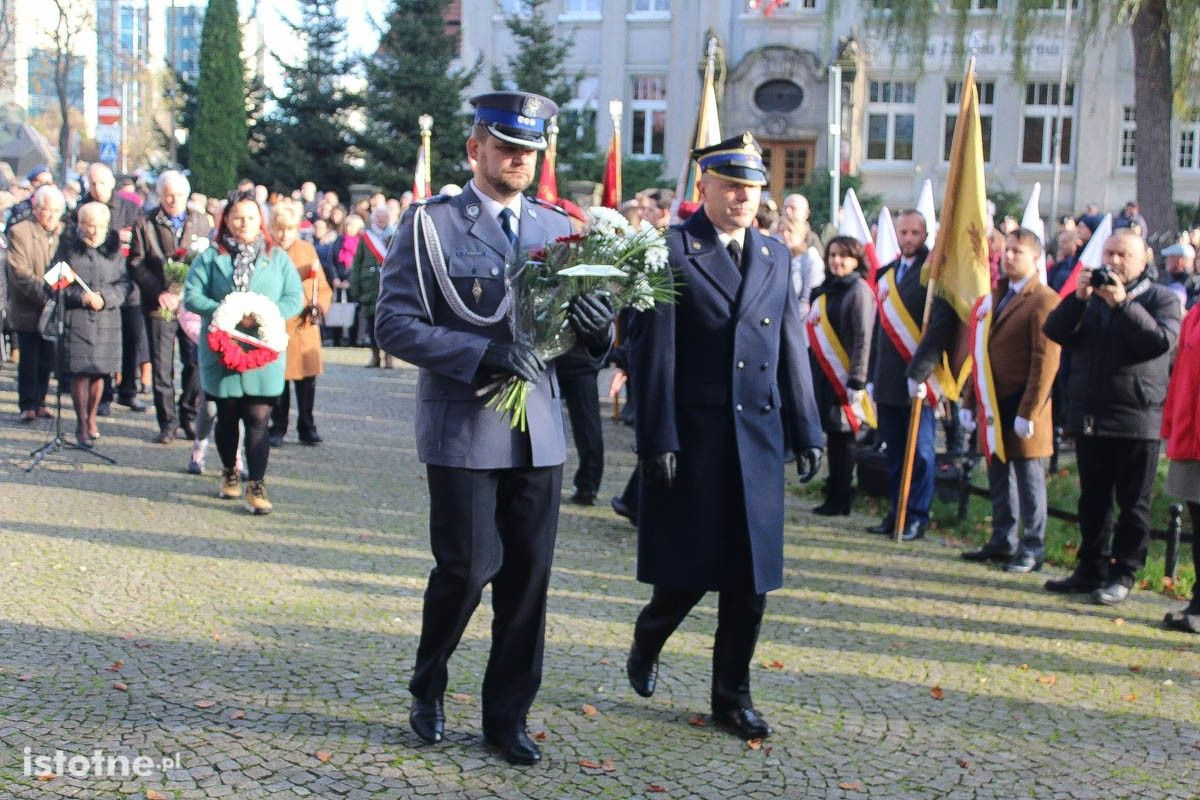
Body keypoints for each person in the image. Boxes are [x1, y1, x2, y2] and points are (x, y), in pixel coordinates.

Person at [375, 91, 613, 766]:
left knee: (527, 583)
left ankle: (507, 717)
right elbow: (392, 324)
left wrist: (597, 336)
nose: (518, 160)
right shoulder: (432, 225)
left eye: (529, 151)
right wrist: (481, 353)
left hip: (537, 431)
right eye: (505, 147)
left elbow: (573, 348)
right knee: (468, 568)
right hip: (463, 427)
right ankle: (429, 681)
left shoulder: (555, 230)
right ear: (476, 148)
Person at [624, 132, 823, 742]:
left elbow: (791, 343)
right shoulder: (673, 251)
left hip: (757, 437)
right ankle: (649, 635)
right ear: (703, 187)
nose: (741, 196)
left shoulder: (774, 255)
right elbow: (654, 354)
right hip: (699, 437)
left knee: (751, 583)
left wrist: (807, 427)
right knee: (684, 576)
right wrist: (657, 437)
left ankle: (731, 697)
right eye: (730, 184)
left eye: (752, 186)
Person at [1042, 229, 1180, 604]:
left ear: (1144, 258)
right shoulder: (1092, 300)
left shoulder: (1161, 298)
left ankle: (1124, 572)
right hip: (1091, 414)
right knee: (1093, 499)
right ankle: (1091, 568)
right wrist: (1079, 297)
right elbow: (1054, 330)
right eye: (1109, 253)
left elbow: (1158, 343)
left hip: (1137, 418)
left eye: (1123, 255)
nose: (1114, 262)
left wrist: (1123, 304)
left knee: (1134, 503)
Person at [183, 189, 304, 515]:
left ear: (260, 220)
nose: (243, 223)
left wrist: (264, 313)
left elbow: (295, 298)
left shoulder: (276, 258)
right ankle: (229, 471)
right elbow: (191, 295)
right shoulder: (211, 257)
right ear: (226, 220)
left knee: (258, 417)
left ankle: (257, 484)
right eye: (237, 217)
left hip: (263, 350)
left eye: (250, 217)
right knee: (227, 415)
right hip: (222, 351)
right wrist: (226, 309)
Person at [957, 229, 1061, 573]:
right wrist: (971, 401)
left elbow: (1045, 360)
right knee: (998, 473)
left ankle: (1033, 545)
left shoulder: (1043, 299)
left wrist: (1030, 409)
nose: (1009, 256)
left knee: (1029, 479)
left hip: (1024, 403)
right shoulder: (997, 295)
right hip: (994, 400)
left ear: (1036, 258)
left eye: (1018, 251)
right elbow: (980, 353)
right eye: (1007, 250)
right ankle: (1003, 539)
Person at [867, 209, 952, 541]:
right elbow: (879, 329)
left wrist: (920, 372)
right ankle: (895, 511)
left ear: (925, 235)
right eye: (903, 233)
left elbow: (940, 329)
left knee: (921, 452)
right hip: (888, 376)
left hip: (920, 377)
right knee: (895, 450)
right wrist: (873, 374)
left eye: (915, 233)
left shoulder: (934, 275)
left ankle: (916, 514)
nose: (908, 239)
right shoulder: (886, 274)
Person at [127, 170, 213, 443]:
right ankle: (167, 422)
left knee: (195, 362)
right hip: (158, 303)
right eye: (167, 194)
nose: (172, 199)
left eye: (177, 194)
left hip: (192, 304)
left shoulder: (200, 221)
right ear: (160, 195)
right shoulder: (146, 222)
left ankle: (188, 413)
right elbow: (136, 263)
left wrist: (189, 291)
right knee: (162, 366)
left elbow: (207, 258)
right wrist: (160, 292)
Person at [807, 236, 874, 516]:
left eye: (844, 256)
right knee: (833, 436)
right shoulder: (827, 290)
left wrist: (857, 380)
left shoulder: (858, 291)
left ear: (856, 261)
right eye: (833, 255)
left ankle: (842, 497)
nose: (837, 260)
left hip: (846, 376)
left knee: (844, 437)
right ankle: (832, 491)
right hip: (824, 374)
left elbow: (863, 338)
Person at [56, 202, 131, 446]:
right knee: (80, 372)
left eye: (100, 226)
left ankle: (91, 417)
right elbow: (55, 284)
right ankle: (80, 422)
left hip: (107, 317)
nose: (95, 231)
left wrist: (106, 298)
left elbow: (124, 284)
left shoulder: (114, 249)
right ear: (80, 225)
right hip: (78, 318)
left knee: (100, 370)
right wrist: (81, 297)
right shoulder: (68, 249)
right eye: (90, 225)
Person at [80, 162, 148, 415]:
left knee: (132, 338)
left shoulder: (130, 209)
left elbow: (140, 244)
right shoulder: (81, 208)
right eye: (93, 183)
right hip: (96, 286)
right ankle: (104, 394)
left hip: (128, 284)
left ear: (112, 184)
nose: (97, 188)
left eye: (102, 183)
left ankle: (128, 390)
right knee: (103, 340)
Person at [268, 199, 332, 446]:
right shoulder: (268, 251)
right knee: (279, 383)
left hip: (304, 326)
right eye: (280, 229)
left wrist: (319, 308)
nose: (284, 235)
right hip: (278, 326)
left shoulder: (306, 250)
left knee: (307, 383)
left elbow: (323, 288)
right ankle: (278, 427)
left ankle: (307, 426)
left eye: (289, 229)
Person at [7, 185, 66, 421]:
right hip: (28, 306)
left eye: (55, 211)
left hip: (54, 307)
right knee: (29, 357)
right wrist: (46, 294)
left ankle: (41, 400)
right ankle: (28, 404)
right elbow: (19, 272)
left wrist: (58, 297)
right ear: (36, 208)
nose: (50, 216)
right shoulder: (20, 231)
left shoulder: (64, 232)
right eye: (45, 210)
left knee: (47, 358)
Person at [1161, 301, 1200, 633]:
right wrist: (1173, 423)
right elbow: (1182, 374)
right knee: (1197, 521)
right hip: (1191, 432)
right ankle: (1198, 601)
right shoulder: (1196, 313)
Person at [349, 205, 390, 367]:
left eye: (384, 216)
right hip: (369, 288)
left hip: (389, 288)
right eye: (379, 216)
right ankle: (375, 355)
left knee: (390, 324)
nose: (382, 219)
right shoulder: (366, 238)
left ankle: (389, 357)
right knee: (371, 324)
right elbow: (356, 265)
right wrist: (356, 288)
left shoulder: (396, 235)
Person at [1162, 242, 1198, 312]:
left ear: (1180, 261)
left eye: (1170, 257)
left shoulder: (1195, 287)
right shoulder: (1168, 281)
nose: (1166, 261)